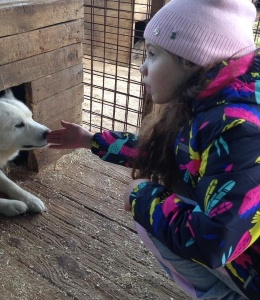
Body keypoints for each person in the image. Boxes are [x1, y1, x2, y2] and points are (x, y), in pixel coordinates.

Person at [47, 0, 260, 299]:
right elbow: (169, 154)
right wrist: (89, 140)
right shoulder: (212, 102)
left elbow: (216, 240)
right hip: (242, 253)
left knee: (151, 205)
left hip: (245, 264)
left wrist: (142, 196)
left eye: (152, 54)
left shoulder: (239, 128)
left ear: (192, 60)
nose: (142, 66)